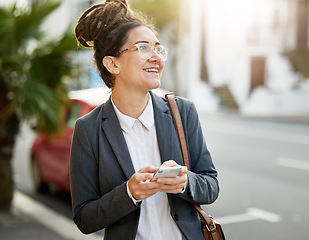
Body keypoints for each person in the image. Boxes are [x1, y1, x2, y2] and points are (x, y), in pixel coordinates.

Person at [69, 0, 219, 239]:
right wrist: (129, 193)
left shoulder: (183, 112)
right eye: (142, 48)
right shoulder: (88, 129)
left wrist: (184, 182)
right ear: (112, 63)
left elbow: (211, 186)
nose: (156, 57)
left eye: (158, 49)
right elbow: (84, 218)